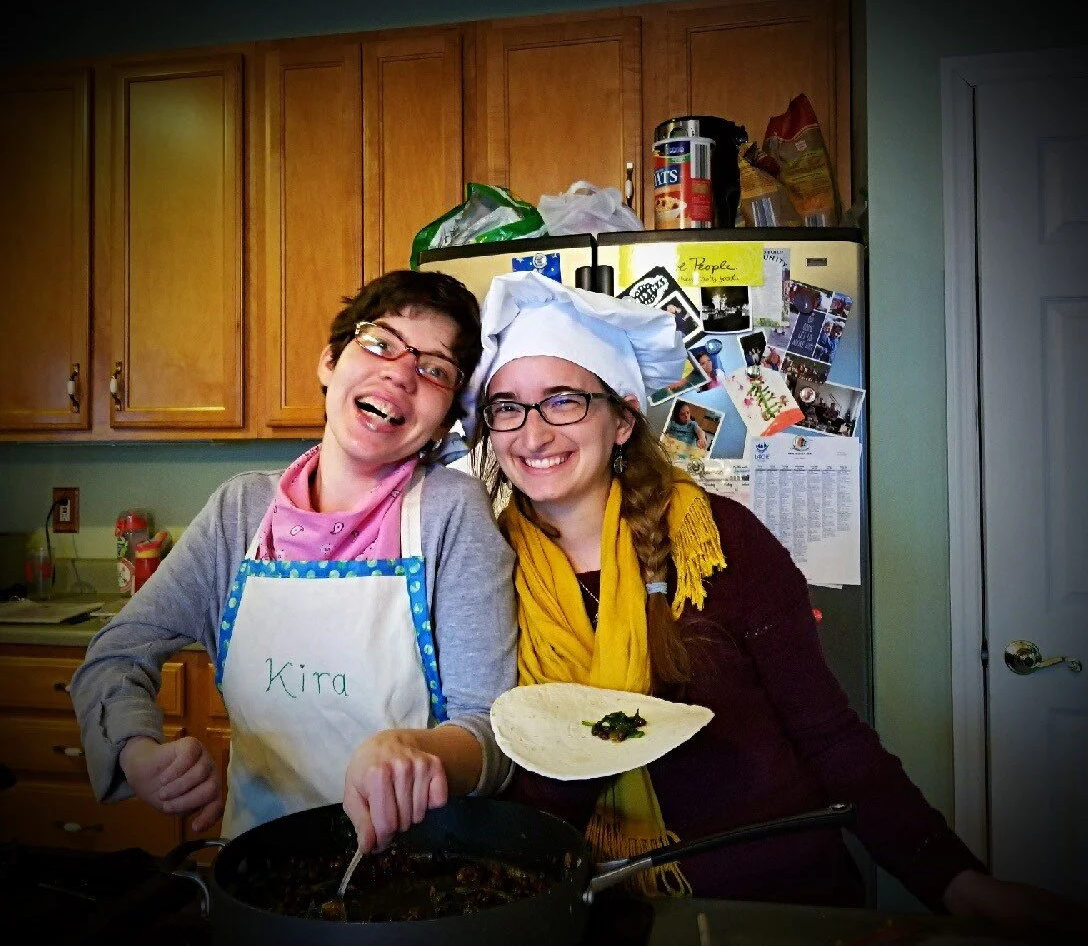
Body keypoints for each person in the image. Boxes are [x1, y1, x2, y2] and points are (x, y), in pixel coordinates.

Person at [463, 269, 1085, 932]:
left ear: (620, 419)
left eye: (563, 400)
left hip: (778, 901)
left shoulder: (720, 542)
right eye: (508, 406)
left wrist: (957, 881)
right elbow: (502, 778)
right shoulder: (481, 571)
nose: (532, 433)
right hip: (602, 913)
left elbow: (832, 738)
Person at [70, 270, 518, 851]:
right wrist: (138, 752)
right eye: (380, 342)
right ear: (330, 362)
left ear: (445, 416)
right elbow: (116, 652)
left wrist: (425, 752)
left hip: (420, 873)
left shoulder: (451, 515)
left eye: (434, 369)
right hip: (260, 868)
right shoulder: (240, 514)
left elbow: (494, 734)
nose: (401, 372)